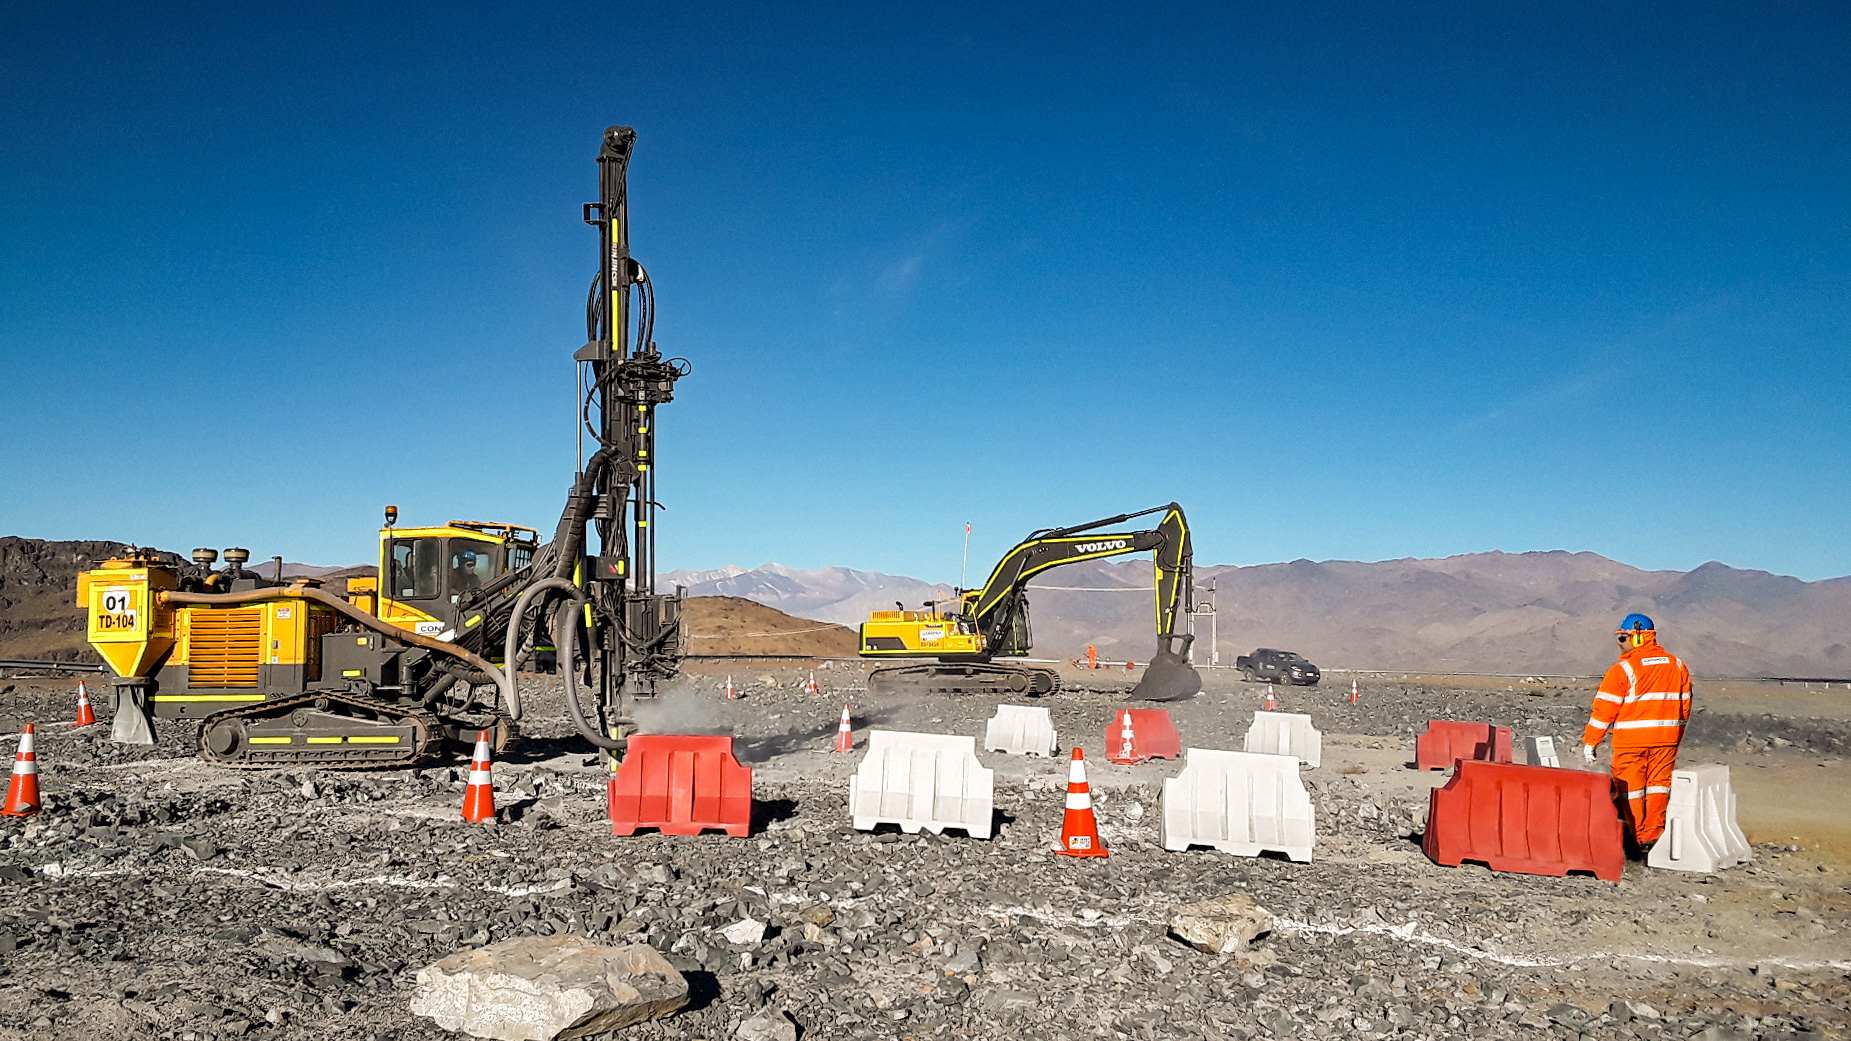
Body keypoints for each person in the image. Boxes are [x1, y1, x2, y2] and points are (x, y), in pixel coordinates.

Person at [1581, 613, 1691, 849]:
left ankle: (1637, 838)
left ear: (1637, 637)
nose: (1619, 644)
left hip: (1631, 743)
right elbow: (1685, 706)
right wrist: (1674, 736)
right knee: (1658, 787)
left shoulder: (1623, 670)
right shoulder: (1677, 665)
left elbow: (1604, 710)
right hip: (1666, 741)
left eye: (1622, 638)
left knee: (1631, 791)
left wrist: (1591, 742)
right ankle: (1653, 837)